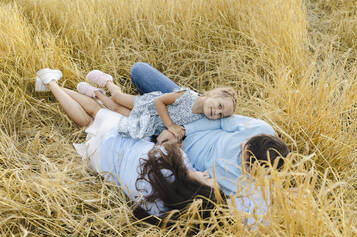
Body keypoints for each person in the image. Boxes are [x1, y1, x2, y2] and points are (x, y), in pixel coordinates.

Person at [35, 68, 224, 225]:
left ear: (194, 190)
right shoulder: (161, 210)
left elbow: (160, 144)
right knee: (87, 124)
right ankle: (53, 85)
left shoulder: (177, 162)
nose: (207, 174)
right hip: (102, 164)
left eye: (207, 180)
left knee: (94, 113)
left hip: (118, 141)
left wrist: (174, 140)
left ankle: (51, 82)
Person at [127, 62, 290, 224]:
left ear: (252, 169)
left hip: (174, 150)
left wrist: (173, 151)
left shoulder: (243, 189)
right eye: (246, 142)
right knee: (139, 71)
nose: (241, 144)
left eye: (244, 151)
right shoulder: (262, 130)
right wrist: (182, 129)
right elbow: (220, 121)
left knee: (125, 117)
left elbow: (197, 183)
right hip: (191, 118)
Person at [75, 70, 237, 140]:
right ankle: (107, 82)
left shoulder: (200, 118)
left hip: (149, 122)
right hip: (147, 105)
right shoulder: (188, 96)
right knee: (117, 98)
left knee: (115, 109)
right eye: (220, 106)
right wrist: (170, 125)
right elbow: (159, 101)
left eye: (221, 115)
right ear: (215, 94)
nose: (216, 112)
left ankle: (96, 93)